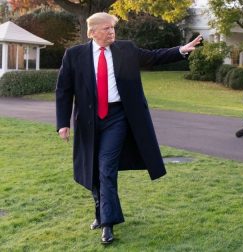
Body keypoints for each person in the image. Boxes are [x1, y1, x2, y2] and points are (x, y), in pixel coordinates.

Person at [56, 12, 202, 244]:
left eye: (113, 28)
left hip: (117, 117)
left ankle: (108, 223)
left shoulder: (126, 49)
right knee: (92, 169)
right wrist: (62, 123)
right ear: (92, 32)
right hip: (88, 120)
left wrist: (181, 50)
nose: (111, 32)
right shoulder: (74, 55)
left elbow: (153, 57)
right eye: (106, 28)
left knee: (106, 167)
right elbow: (64, 90)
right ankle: (100, 212)